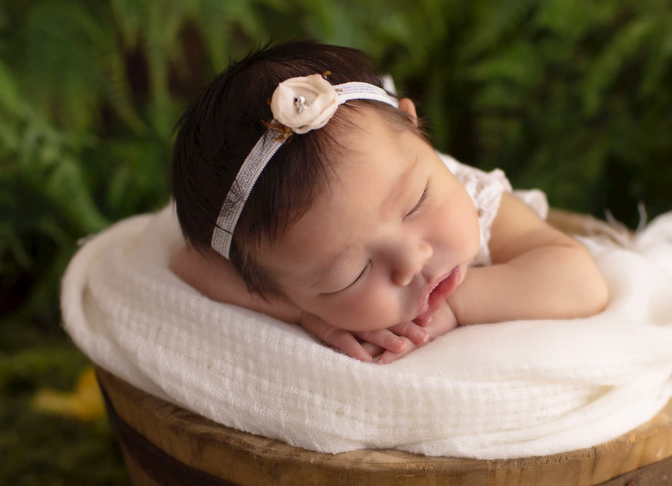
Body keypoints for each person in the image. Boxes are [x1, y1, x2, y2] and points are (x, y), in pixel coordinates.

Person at [169, 41, 609, 364]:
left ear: (414, 128)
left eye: (416, 203)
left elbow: (579, 282)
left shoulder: (474, 197)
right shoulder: (286, 278)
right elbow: (190, 264)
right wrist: (302, 312)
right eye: (350, 275)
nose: (412, 261)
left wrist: (459, 303)